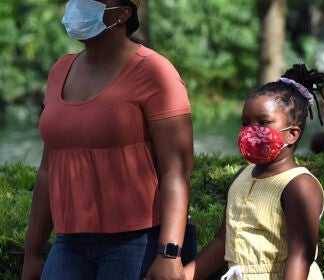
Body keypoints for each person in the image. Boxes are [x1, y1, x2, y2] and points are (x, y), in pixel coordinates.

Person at [21, 0, 194, 279]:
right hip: (70, 242)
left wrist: (169, 253)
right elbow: (47, 171)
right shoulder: (59, 71)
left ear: (123, 14)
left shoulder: (155, 72)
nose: (77, 6)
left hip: (137, 242)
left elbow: (177, 169)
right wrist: (32, 253)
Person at [184, 64, 324, 280]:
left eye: (263, 122)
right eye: (246, 123)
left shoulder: (299, 185)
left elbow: (300, 258)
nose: (251, 131)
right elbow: (222, 242)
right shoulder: (242, 176)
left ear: (292, 134)